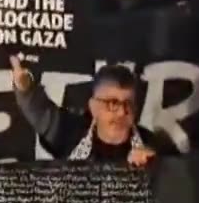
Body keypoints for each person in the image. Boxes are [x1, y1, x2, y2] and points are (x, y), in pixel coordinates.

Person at [10, 56, 171, 164]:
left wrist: (157, 169)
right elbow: (40, 112)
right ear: (93, 107)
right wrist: (25, 88)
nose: (122, 112)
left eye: (128, 104)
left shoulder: (154, 145)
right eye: (112, 103)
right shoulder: (70, 133)